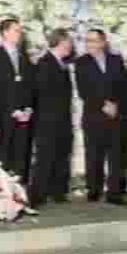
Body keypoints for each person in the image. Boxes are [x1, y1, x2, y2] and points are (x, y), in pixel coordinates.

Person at [75, 29, 127, 205]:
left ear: (103, 42)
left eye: (94, 40)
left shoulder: (116, 60)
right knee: (94, 155)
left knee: (116, 156)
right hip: (94, 116)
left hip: (115, 115)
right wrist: (104, 105)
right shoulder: (81, 62)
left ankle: (115, 193)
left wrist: (116, 105)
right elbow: (84, 90)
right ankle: (94, 190)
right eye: (87, 40)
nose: (90, 44)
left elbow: (123, 86)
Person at [29, 28, 74, 208]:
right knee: (45, 158)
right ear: (61, 42)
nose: (71, 46)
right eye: (68, 42)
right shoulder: (45, 64)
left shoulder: (61, 64)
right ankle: (37, 195)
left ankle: (58, 192)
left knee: (61, 156)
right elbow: (42, 94)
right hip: (47, 121)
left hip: (61, 120)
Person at [0, 19, 35, 183]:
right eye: (16, 30)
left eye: (20, 31)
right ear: (5, 33)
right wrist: (8, 113)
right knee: (3, 159)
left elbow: (29, 86)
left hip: (23, 117)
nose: (19, 34)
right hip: (3, 118)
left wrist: (28, 109)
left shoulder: (24, 57)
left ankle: (20, 197)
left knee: (21, 158)